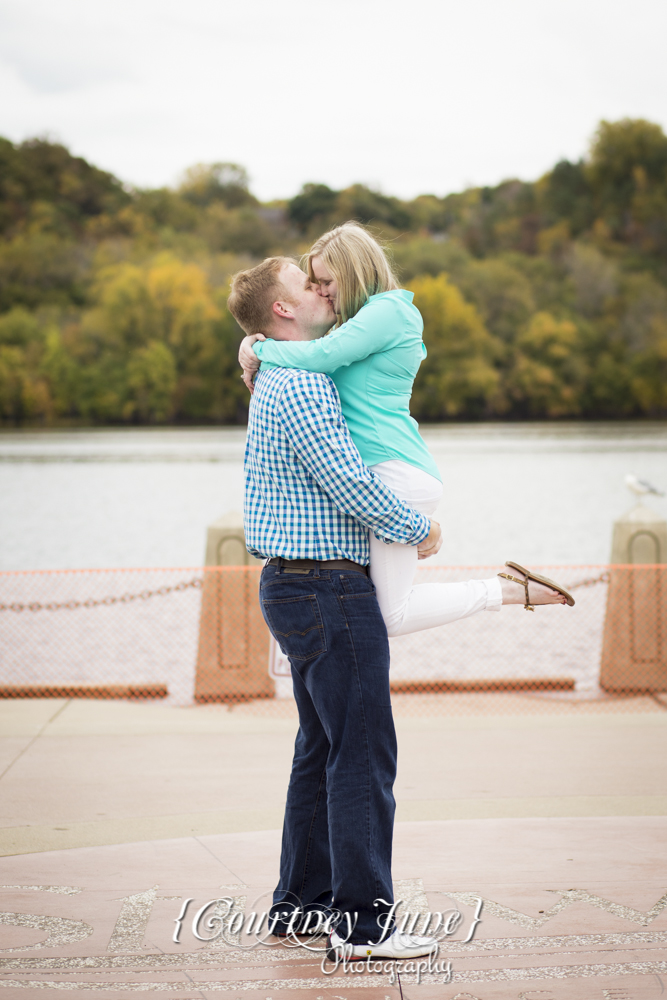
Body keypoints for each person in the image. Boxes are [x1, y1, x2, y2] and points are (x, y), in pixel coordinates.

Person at [228, 255, 441, 959]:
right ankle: (361, 926)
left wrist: (253, 348)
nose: (322, 290)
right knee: (362, 756)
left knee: (320, 749)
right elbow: (348, 480)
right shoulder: (303, 383)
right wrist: (418, 528)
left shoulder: (277, 374)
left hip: (295, 585)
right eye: (306, 284)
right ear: (284, 310)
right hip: (327, 588)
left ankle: (301, 905)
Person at [238, 222, 575, 630]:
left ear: (354, 272)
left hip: (395, 472)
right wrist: (252, 346)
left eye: (326, 281)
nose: (322, 290)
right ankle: (504, 589)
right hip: (389, 469)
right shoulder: (357, 322)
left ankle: (505, 591)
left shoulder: (390, 311)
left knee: (388, 616)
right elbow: (309, 352)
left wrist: (258, 347)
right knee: (383, 607)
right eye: (315, 283)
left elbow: (322, 355)